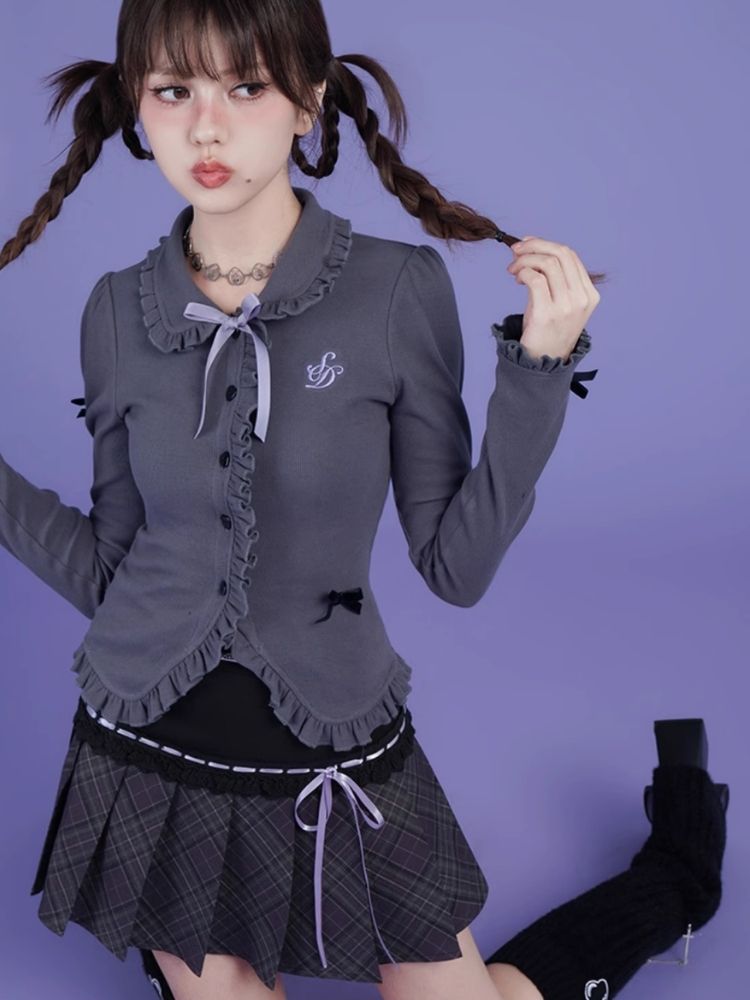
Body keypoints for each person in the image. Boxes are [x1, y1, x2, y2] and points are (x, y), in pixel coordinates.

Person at [3, 3, 723, 999]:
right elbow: (111, 571)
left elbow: (455, 567)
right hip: (145, 752)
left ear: (309, 101)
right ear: (136, 104)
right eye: (173, 90)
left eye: (246, 86)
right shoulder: (117, 311)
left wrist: (538, 374)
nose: (206, 127)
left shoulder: (395, 290)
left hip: (334, 748)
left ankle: (679, 873)